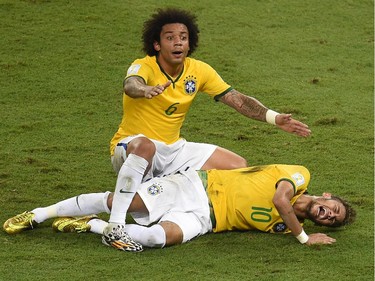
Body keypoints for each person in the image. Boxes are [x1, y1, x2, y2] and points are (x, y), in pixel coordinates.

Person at [104, 7, 312, 252]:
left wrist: (274, 118)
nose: (178, 42)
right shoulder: (144, 66)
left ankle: (185, 199)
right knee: (146, 145)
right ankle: (115, 225)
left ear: (190, 43)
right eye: (170, 37)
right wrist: (145, 90)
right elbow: (131, 84)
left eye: (183, 37)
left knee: (238, 166)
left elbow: (237, 99)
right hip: (131, 147)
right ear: (157, 44)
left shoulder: (198, 70)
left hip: (173, 148)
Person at [3, 165, 355, 252]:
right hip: (193, 185)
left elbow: (281, 217)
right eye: (331, 207)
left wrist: (297, 230)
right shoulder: (298, 177)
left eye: (332, 219)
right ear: (324, 195)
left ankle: (88, 225)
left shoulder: (283, 227)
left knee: (158, 239)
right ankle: (40, 213)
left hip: (205, 218)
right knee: (125, 202)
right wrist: (305, 239)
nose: (328, 213)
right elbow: (281, 201)